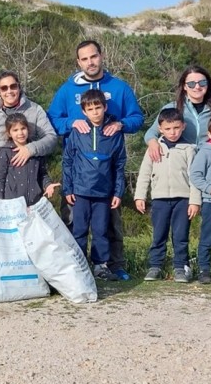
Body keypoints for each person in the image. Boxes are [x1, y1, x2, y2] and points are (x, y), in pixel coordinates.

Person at [48, 40, 144, 280]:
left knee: (110, 223)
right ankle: (72, 268)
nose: (90, 62)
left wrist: (121, 124)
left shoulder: (119, 87)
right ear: (78, 62)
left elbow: (137, 118)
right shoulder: (68, 89)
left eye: (94, 56)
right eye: (84, 59)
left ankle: (114, 264)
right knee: (73, 222)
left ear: (101, 56)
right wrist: (70, 123)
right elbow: (51, 118)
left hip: (106, 172)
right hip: (78, 172)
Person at [62, 90, 126, 282]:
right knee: (79, 229)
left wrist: (118, 192)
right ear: (84, 111)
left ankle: (101, 266)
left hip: (104, 193)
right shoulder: (78, 132)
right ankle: (78, 266)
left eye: (98, 107)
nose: (95, 112)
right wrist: (68, 188)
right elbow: (67, 161)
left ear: (105, 107)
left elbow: (120, 164)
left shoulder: (114, 133)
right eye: (90, 109)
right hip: (80, 191)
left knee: (100, 230)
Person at [134, 108, 201, 283]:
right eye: (168, 129)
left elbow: (194, 177)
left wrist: (194, 201)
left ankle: (180, 268)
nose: (173, 132)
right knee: (159, 235)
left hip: (183, 199)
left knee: (180, 236)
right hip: (159, 199)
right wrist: (139, 196)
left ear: (183, 126)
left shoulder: (188, 149)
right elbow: (144, 174)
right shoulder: (154, 148)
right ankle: (155, 266)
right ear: (160, 128)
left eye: (177, 128)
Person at [0, 71, 57, 198]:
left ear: (19, 87)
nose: (9, 91)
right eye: (4, 88)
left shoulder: (34, 110)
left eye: (13, 86)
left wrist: (30, 149)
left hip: (26, 176)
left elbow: (51, 138)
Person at [144, 65, 211, 162]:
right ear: (184, 86)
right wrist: (153, 143)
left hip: (208, 161)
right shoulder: (172, 108)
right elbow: (151, 132)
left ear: (208, 85)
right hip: (179, 161)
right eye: (191, 83)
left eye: (202, 82)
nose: (197, 86)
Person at [0, 113, 57, 205]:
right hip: (13, 204)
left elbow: (42, 174)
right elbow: (0, 178)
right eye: (15, 130)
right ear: (9, 133)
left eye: (23, 128)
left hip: (35, 202)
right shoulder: (6, 152)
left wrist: (48, 185)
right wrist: (0, 200)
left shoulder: (36, 151)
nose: (20, 133)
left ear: (28, 129)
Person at [189, 115, 211, 284]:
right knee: (209, 237)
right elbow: (195, 176)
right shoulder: (205, 153)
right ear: (210, 134)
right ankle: (204, 270)